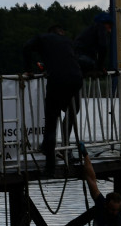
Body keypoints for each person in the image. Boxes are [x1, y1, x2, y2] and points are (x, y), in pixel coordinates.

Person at [23, 25, 84, 174]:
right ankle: (64, 145)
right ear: (61, 32)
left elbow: (26, 47)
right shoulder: (68, 41)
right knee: (72, 112)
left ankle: (50, 164)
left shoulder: (42, 38)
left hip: (57, 80)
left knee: (51, 120)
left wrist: (28, 69)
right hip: (76, 78)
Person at [74, 12, 113, 76]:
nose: (109, 30)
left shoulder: (91, 30)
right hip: (80, 58)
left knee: (93, 64)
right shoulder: (100, 27)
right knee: (93, 65)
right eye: (110, 26)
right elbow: (103, 47)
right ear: (105, 23)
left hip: (77, 58)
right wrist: (100, 67)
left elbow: (93, 52)